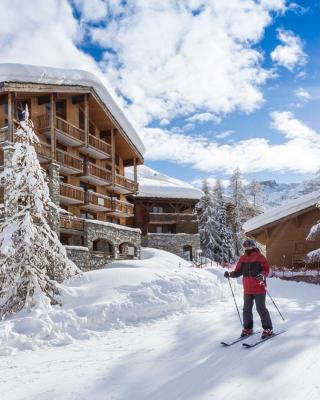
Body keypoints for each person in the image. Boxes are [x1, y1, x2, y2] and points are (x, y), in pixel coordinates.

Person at [224, 239, 273, 339]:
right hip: (247, 289)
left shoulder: (260, 257)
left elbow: (266, 270)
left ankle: (268, 329)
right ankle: (248, 328)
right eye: (245, 246)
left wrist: (262, 276)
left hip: (259, 287)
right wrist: (230, 274)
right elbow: (238, 271)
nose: (247, 248)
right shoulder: (243, 259)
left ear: (253, 246)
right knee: (246, 310)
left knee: (261, 309)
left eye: (249, 246)